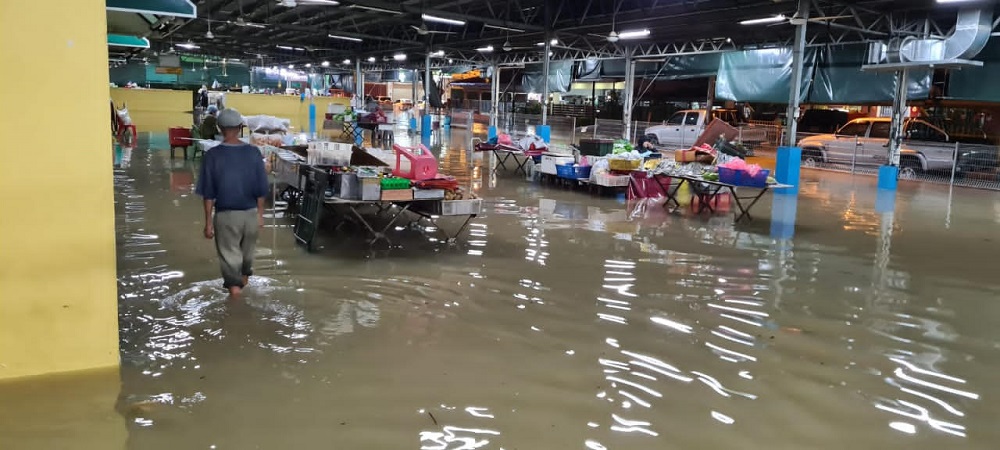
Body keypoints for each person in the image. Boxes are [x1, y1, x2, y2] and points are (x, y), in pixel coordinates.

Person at [195, 108, 268, 297]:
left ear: (219, 128)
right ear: (241, 127)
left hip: (226, 217)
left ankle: (236, 313)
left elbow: (208, 194)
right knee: (245, 264)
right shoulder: (253, 153)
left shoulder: (212, 156)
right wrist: (260, 216)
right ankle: (242, 294)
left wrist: (208, 222)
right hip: (251, 216)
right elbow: (261, 188)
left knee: (231, 265)